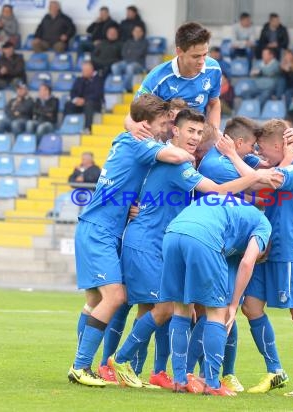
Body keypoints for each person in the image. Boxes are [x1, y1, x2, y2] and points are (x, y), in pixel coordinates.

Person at [112, 111, 281, 392]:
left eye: (199, 133)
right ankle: (207, 380)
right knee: (201, 311)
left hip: (169, 235)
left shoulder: (173, 159)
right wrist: (258, 175)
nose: (195, 137)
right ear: (174, 131)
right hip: (153, 240)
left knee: (172, 308)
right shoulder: (178, 160)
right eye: (189, 130)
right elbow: (219, 189)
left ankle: (169, 374)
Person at [67, 94, 198, 387]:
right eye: (163, 123)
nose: (166, 128)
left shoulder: (125, 138)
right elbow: (174, 156)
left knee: (95, 300)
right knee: (115, 297)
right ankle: (80, 366)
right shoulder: (139, 143)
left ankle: (84, 364)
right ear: (145, 125)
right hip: (99, 229)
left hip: (106, 228)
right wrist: (191, 153)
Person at [242, 119, 293, 398]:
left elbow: (274, 178)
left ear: (280, 145)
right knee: (251, 307)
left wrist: (286, 156)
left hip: (290, 251)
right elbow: (261, 176)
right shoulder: (278, 162)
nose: (260, 155)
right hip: (266, 248)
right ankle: (275, 371)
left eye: (264, 150)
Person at [126, 22, 222, 135]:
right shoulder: (157, 77)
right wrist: (132, 125)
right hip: (166, 138)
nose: (202, 61)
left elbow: (214, 103)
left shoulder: (214, 68)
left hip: (197, 135)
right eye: (195, 56)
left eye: (205, 54)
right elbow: (133, 114)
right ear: (179, 51)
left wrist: (214, 132)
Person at [64, 62, 104, 131]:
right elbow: (73, 92)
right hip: (80, 103)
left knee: (89, 104)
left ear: (91, 70)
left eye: (85, 70)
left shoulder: (98, 80)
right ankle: (67, 126)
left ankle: (87, 128)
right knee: (68, 104)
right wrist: (76, 99)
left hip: (94, 103)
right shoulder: (79, 79)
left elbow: (97, 94)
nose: (83, 72)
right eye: (83, 70)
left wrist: (84, 100)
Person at [110, 25, 148, 93]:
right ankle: (118, 86)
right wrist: (132, 53)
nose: (137, 33)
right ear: (132, 32)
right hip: (126, 61)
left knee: (130, 67)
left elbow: (140, 53)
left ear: (142, 33)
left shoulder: (145, 42)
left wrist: (130, 52)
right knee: (114, 66)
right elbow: (123, 53)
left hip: (139, 64)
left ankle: (128, 88)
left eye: (139, 31)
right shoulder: (128, 42)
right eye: (135, 31)